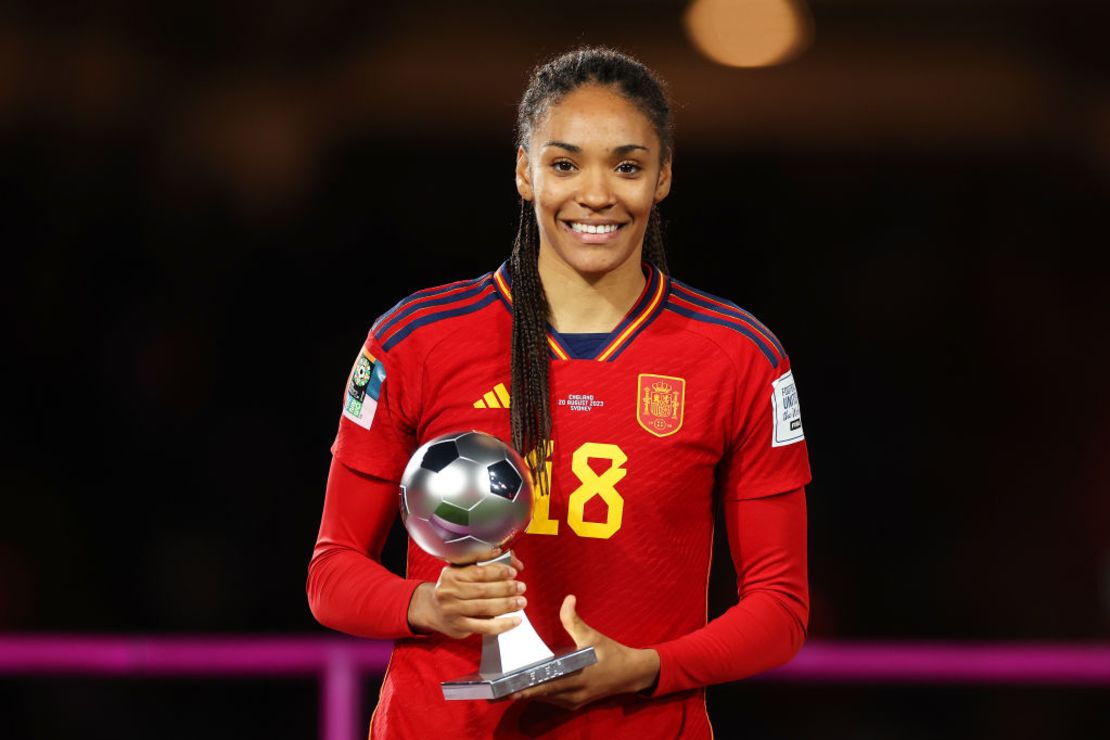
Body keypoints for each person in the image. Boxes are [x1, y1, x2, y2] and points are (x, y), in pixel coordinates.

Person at [307, 46, 810, 738]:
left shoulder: (741, 358)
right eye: (565, 163)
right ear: (524, 170)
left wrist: (645, 666)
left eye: (627, 166)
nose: (596, 194)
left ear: (663, 177)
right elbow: (330, 576)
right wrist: (428, 604)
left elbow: (780, 610)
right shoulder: (413, 340)